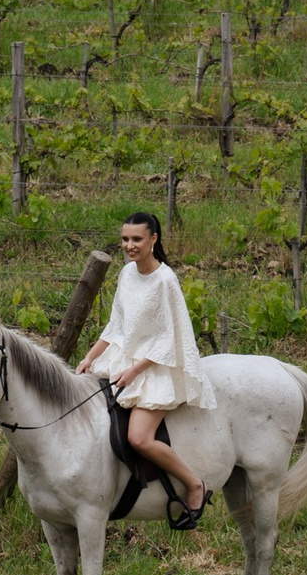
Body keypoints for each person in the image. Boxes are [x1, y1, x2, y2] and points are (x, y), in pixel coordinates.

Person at [79, 212, 217, 527]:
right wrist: (90, 357)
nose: (129, 245)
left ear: (153, 239)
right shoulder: (127, 273)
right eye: (125, 239)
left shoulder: (165, 280)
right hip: (124, 361)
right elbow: (116, 325)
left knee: (139, 438)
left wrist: (136, 370)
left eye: (137, 239)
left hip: (156, 367)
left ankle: (194, 485)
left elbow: (171, 337)